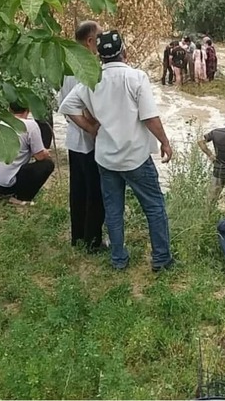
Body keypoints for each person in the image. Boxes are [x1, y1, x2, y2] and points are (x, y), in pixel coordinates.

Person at [59, 30, 175, 272]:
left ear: (99, 55)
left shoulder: (92, 79)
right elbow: (150, 117)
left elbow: (67, 105)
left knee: (113, 210)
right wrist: (164, 141)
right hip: (135, 157)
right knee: (154, 207)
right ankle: (161, 259)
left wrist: (90, 127)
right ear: (124, 52)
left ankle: (119, 259)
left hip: (106, 157)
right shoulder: (136, 78)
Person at [57, 21, 107, 252]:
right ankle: (93, 242)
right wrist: (93, 127)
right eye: (100, 37)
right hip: (88, 140)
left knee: (77, 190)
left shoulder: (68, 62)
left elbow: (61, 103)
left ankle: (77, 236)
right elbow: (83, 105)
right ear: (90, 41)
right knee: (94, 192)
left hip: (73, 139)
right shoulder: (86, 66)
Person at [0, 102, 54, 206]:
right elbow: (40, 156)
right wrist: (45, 152)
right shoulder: (30, 125)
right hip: (6, 184)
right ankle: (20, 198)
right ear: (28, 109)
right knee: (47, 165)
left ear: (9, 108)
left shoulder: (0, 122)